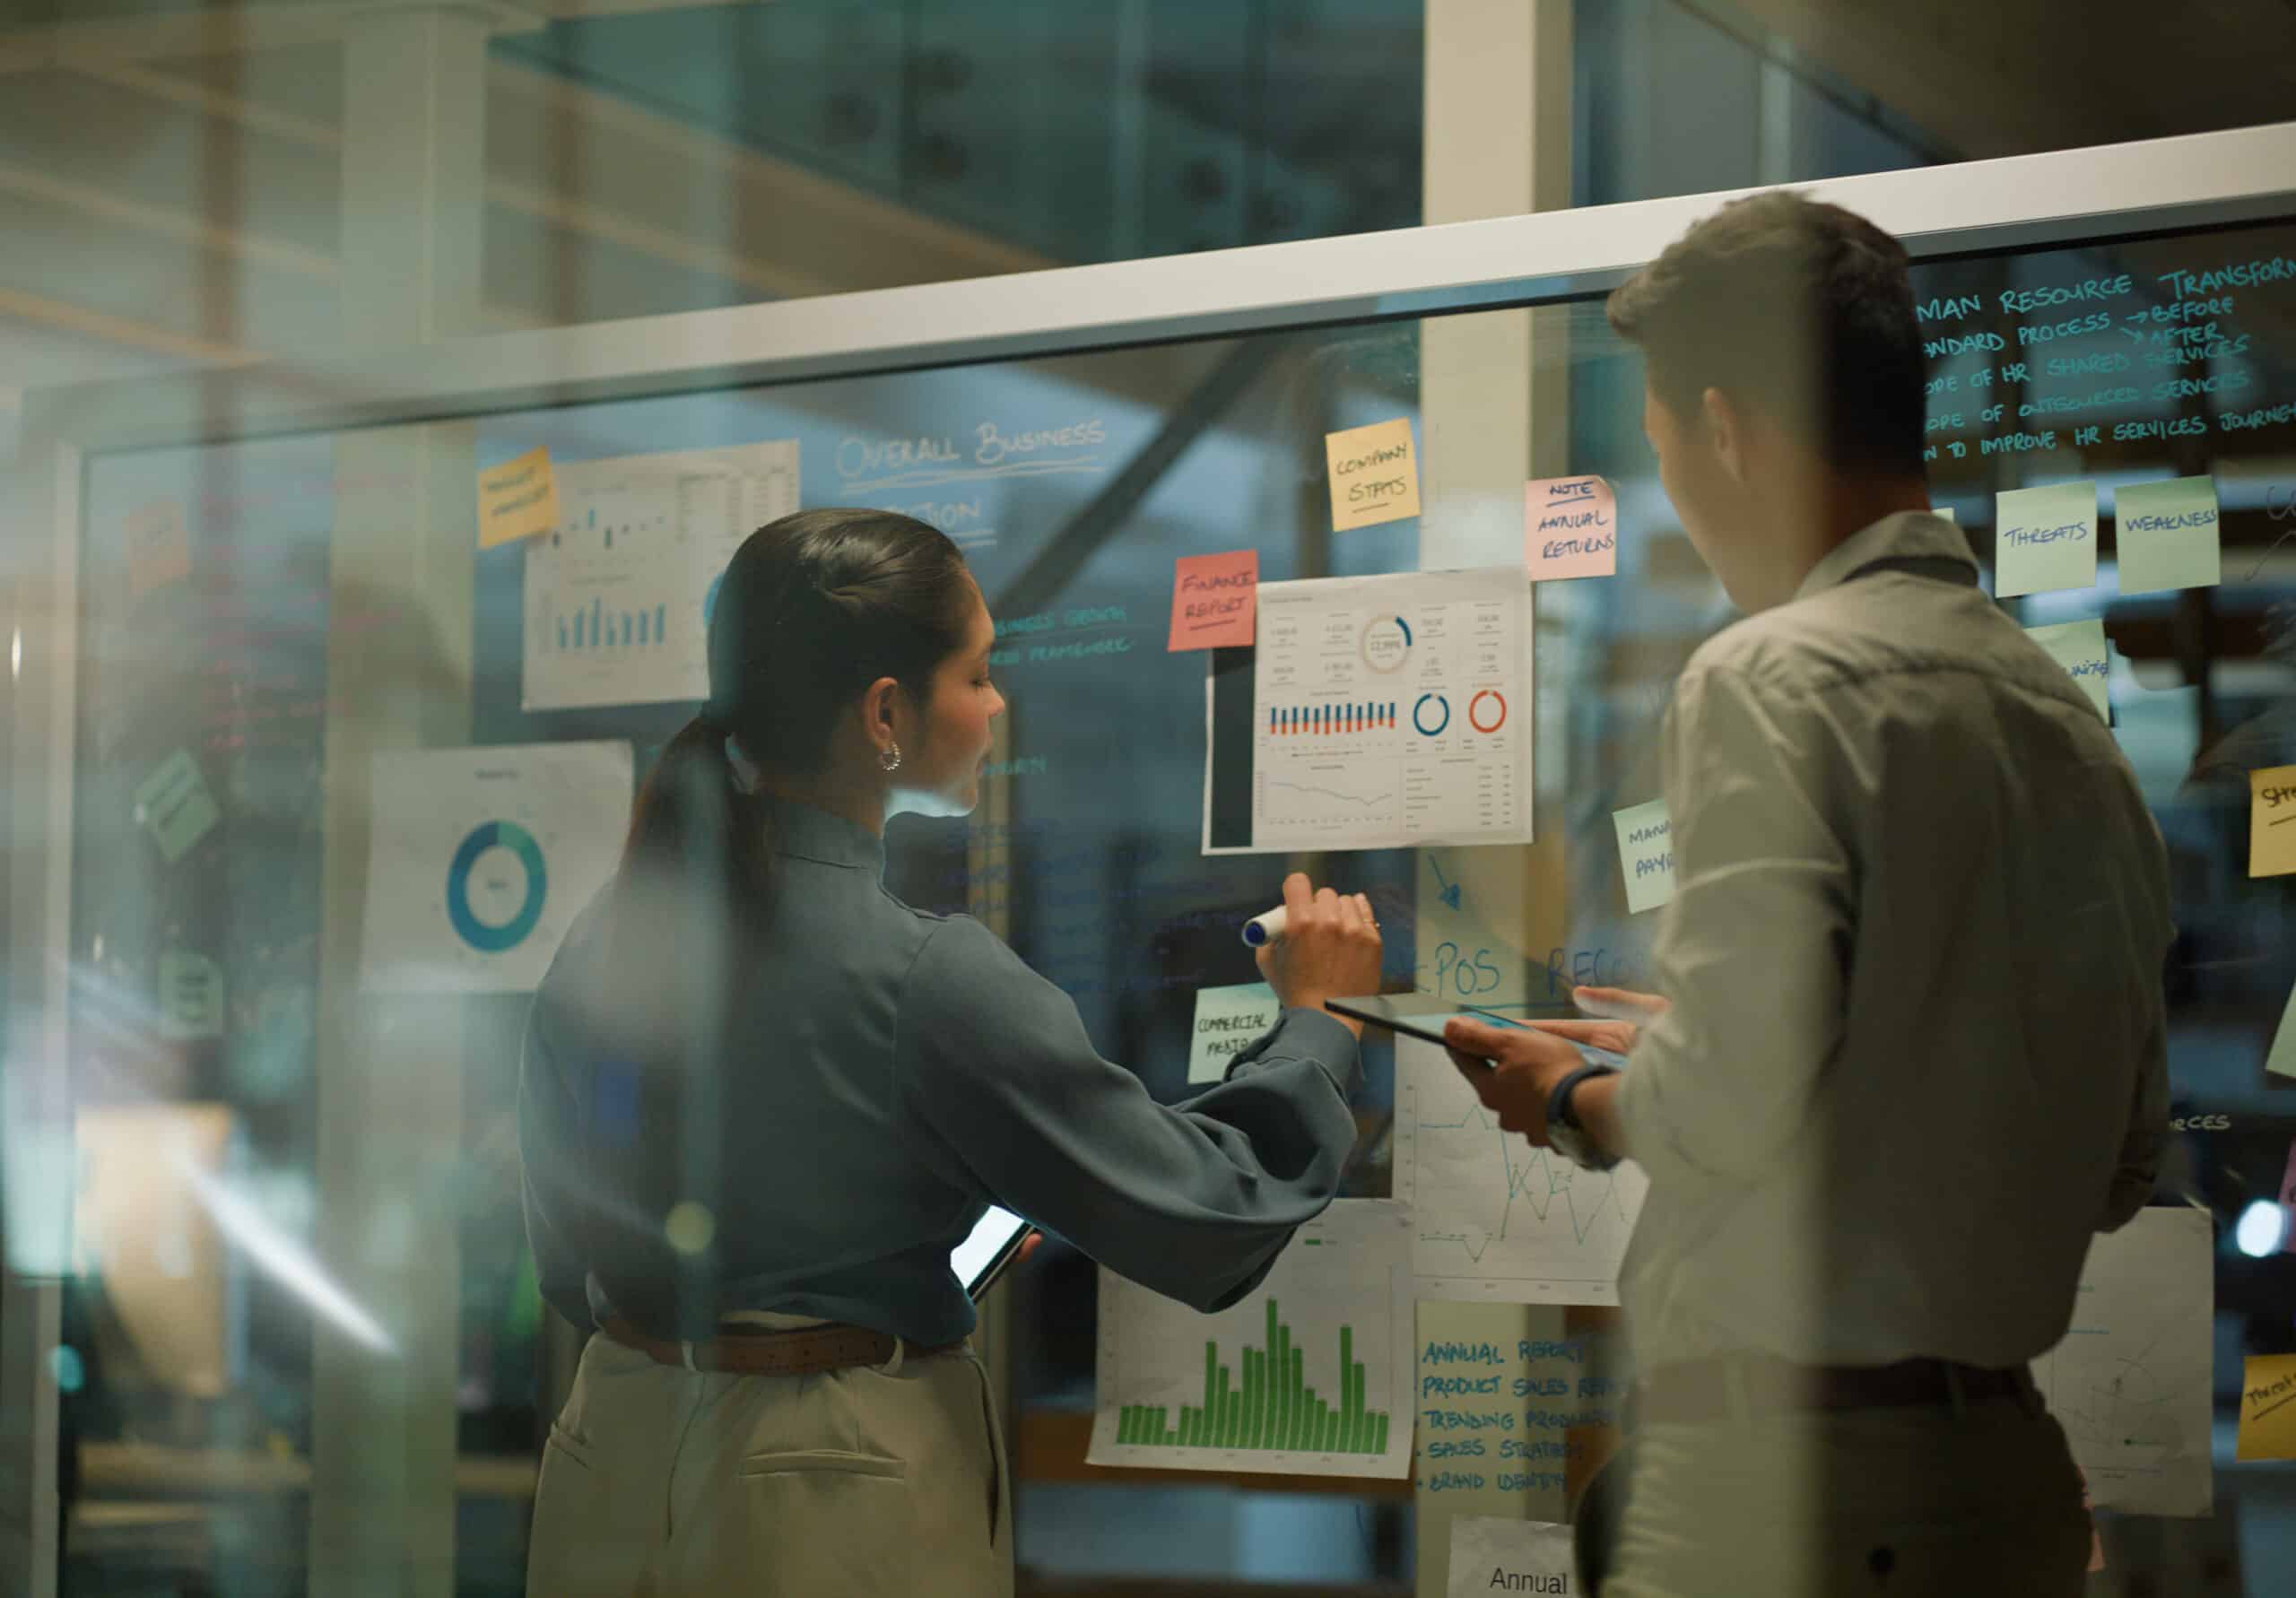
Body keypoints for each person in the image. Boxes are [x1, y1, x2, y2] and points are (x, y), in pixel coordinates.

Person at [1442, 192, 2171, 1596]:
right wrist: (1757, 1052)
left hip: (1789, 1493)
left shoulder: (1773, 676)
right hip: (2010, 1484)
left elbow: (1723, 1108)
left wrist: (1574, 1093)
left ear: (1725, 427)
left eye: (1667, 456)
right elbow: (2122, 1160)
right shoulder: (2067, 722)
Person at [517, 508, 1381, 1598]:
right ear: (886, 713)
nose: (998, 704)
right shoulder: (926, 976)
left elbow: (569, 1261)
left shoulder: (603, 934)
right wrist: (1319, 1019)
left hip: (610, 1450)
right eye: (977, 674)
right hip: (818, 1490)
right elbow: (1208, 1215)